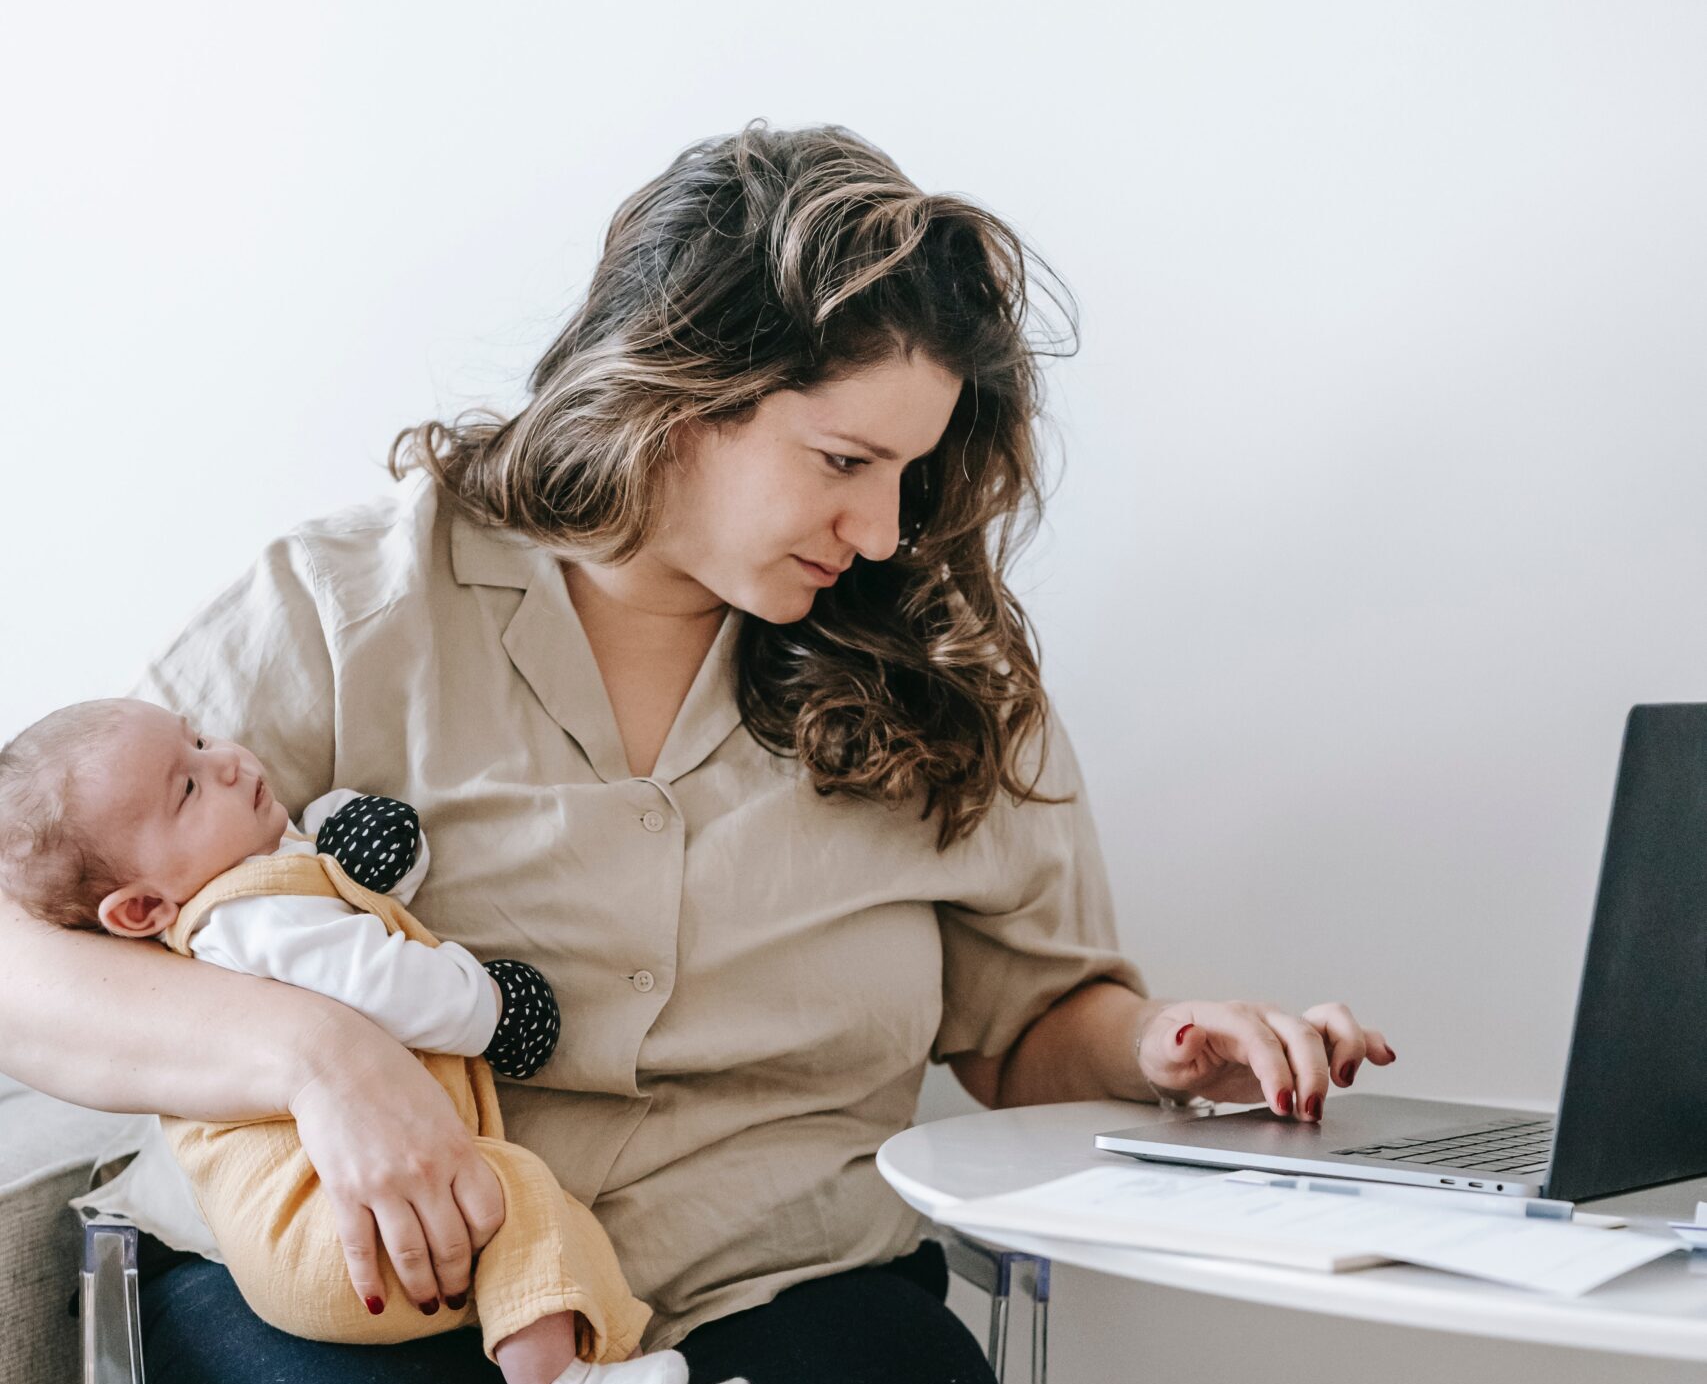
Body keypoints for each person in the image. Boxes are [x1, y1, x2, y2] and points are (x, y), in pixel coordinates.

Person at [0, 121, 1394, 1384]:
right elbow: (25, 946)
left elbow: (1025, 1023)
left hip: (777, 1284)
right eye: (844, 462)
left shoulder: (945, 673)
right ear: (679, 390)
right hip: (372, 1280)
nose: (886, 531)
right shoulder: (346, 606)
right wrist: (314, 1051)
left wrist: (1161, 1047)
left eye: (911, 473)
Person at [0, 697, 679, 1384]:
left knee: (514, 1212)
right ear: (142, 908)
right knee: (520, 1192)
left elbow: (346, 893)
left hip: (313, 1248)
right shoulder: (249, 918)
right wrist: (487, 1006)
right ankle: (559, 1375)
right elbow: (385, 982)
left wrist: (350, 836)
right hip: (327, 1232)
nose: (227, 763)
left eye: (200, 737)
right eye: (188, 786)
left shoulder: (258, 881)